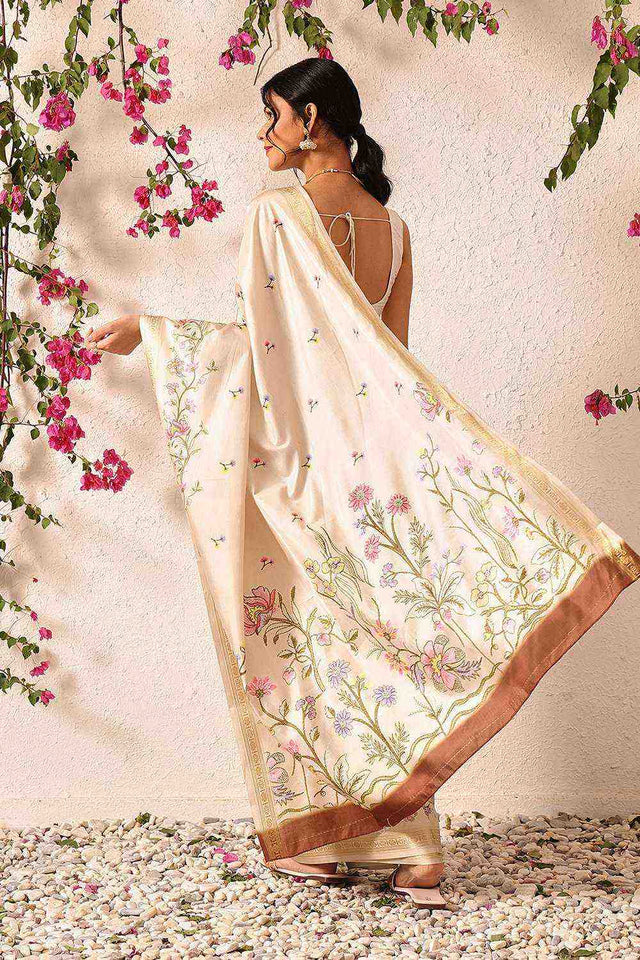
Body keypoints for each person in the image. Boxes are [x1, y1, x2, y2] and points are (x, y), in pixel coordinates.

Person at [85, 58, 640, 908]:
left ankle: (367, 838)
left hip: (307, 465)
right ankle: (405, 849)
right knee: (383, 646)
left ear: (310, 120)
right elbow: (394, 365)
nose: (263, 134)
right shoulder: (396, 230)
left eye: (272, 116)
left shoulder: (278, 215)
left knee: (323, 646)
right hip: (376, 467)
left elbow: (262, 354)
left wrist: (152, 335)